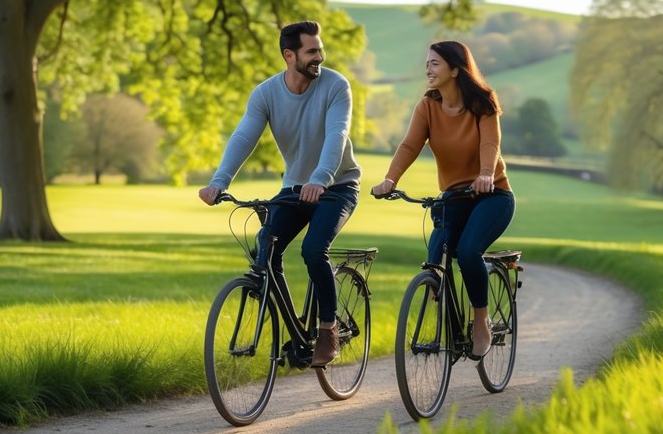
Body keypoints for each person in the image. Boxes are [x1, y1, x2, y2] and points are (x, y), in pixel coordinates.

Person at [199, 21, 361, 367]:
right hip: (294, 188)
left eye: (320, 49)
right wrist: (219, 181)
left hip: (338, 186)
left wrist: (321, 178)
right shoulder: (266, 93)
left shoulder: (336, 86)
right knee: (265, 248)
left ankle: (328, 328)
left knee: (314, 249)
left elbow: (337, 134)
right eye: (312, 51)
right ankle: (297, 336)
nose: (321, 56)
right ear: (290, 56)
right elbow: (244, 137)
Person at [370, 40, 514, 359]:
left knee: (467, 251)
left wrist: (486, 174)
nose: (428, 69)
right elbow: (409, 146)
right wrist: (390, 180)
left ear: (454, 69)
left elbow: (490, 145)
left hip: (492, 195)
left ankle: (480, 322)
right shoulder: (428, 106)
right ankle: (446, 319)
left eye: (435, 63)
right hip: (454, 197)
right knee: (434, 259)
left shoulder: (483, 103)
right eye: (427, 63)